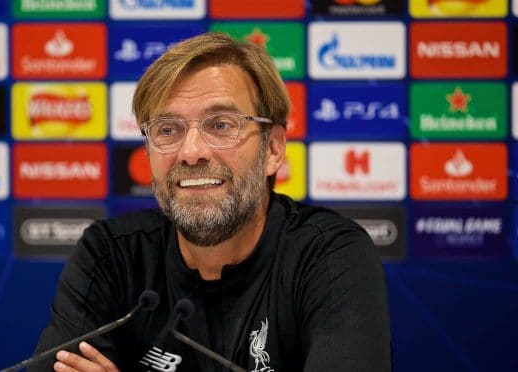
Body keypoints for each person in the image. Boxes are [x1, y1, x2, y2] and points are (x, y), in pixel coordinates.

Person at [30, 32, 391, 372]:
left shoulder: (329, 255)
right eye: (167, 130)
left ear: (273, 148)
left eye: (220, 125)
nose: (191, 152)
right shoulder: (111, 255)